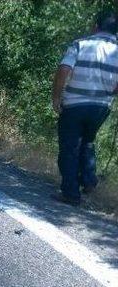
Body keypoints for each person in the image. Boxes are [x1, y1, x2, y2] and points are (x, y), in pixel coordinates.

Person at [51, 11, 118, 206]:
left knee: (70, 147)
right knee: (87, 141)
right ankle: (88, 181)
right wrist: (109, 93)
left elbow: (64, 70)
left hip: (75, 104)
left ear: (95, 26)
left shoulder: (81, 45)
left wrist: (56, 97)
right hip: (101, 107)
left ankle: (70, 193)